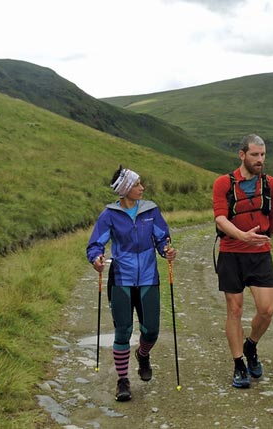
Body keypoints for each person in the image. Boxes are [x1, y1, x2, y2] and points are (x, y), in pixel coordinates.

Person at [86, 166, 177, 402]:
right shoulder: (109, 214)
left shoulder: (151, 210)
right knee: (123, 331)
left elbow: (161, 238)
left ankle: (143, 355)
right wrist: (95, 258)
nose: (142, 188)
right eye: (137, 185)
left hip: (148, 279)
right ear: (126, 190)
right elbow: (96, 243)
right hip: (121, 280)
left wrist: (166, 250)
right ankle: (122, 380)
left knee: (152, 330)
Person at [213, 134, 273, 388]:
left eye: (263, 155)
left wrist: (263, 237)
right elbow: (220, 218)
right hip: (231, 252)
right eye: (255, 155)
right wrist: (243, 236)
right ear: (242, 155)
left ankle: (251, 345)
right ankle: (239, 364)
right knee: (235, 310)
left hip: (260, 254)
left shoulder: (271, 184)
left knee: (267, 310)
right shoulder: (223, 183)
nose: (260, 160)